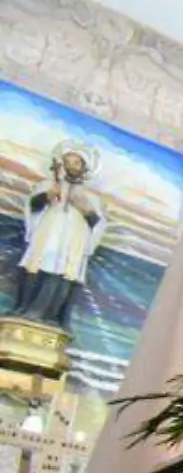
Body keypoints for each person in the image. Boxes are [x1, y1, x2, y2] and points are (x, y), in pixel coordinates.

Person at [16, 141, 107, 331]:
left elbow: (98, 226)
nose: (71, 166)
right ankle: (25, 311)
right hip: (47, 240)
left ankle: (49, 317)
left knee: (63, 274)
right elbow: (32, 209)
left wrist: (87, 210)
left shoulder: (92, 198)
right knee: (35, 267)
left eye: (76, 163)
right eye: (68, 161)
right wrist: (47, 196)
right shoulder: (49, 185)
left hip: (70, 247)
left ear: (84, 168)